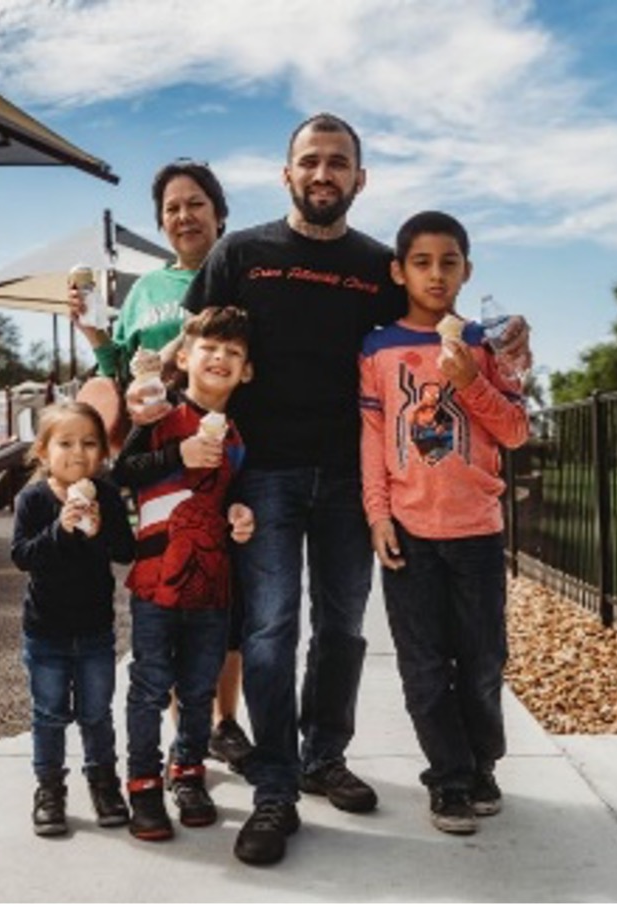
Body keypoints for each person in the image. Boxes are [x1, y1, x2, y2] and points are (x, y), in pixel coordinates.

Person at [176, 112, 406, 866]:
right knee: (271, 630)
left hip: (349, 474)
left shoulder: (379, 266)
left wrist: (499, 341)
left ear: (358, 179)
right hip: (261, 474)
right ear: (285, 174)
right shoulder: (240, 252)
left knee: (340, 629)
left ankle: (322, 756)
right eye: (309, 161)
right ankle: (274, 784)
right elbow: (192, 345)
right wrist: (142, 392)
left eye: (337, 163)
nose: (322, 174)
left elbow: (420, 339)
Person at [70, 160, 255, 774]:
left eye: (195, 203)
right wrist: (94, 332)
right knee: (170, 591)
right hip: (160, 455)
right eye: (172, 207)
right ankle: (186, 735)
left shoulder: (240, 272)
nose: (183, 215)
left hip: (224, 448)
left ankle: (224, 723)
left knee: (225, 598)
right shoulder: (146, 291)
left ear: (219, 212)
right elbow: (120, 368)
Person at [359, 211, 530, 835]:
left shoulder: (488, 345)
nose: (436, 274)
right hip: (409, 531)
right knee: (424, 666)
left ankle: (483, 764)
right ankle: (449, 779)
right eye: (422, 263)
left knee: (483, 661)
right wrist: (377, 514)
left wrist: (472, 382)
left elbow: (514, 429)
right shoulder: (377, 347)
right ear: (399, 271)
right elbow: (373, 437)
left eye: (449, 262)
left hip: (477, 531)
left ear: (467, 270)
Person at [111, 306, 257, 842]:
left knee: (199, 686)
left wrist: (240, 516)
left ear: (246, 372)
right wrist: (178, 452)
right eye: (209, 348)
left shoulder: (238, 436)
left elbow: (232, 495)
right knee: (151, 684)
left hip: (212, 582)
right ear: (186, 358)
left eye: (233, 353)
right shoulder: (160, 417)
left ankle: (189, 770)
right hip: (156, 578)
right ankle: (143, 782)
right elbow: (122, 473)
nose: (220, 357)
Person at [10, 402, 136, 837]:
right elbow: (22, 557)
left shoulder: (107, 495)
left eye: (89, 443)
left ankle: (103, 783)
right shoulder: (33, 499)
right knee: (48, 715)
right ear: (43, 451)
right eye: (65, 443)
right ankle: (49, 789)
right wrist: (60, 530)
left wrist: (99, 531)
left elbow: (125, 551)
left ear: (102, 451)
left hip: (95, 631)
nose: (78, 452)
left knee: (96, 714)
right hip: (45, 633)